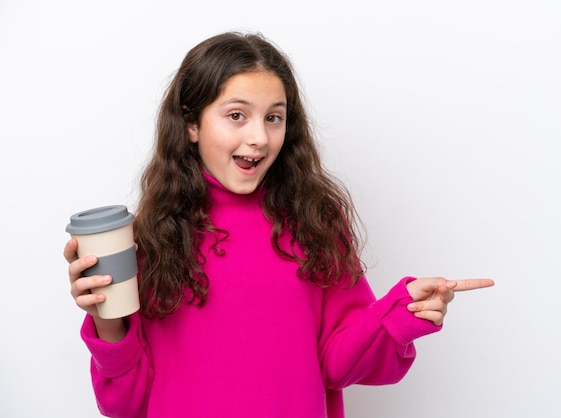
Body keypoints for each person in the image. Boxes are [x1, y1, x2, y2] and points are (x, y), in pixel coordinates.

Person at [64, 31, 494, 418]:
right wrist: (104, 315)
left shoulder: (314, 220)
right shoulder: (149, 236)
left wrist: (399, 313)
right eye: (237, 115)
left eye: (274, 117)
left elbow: (337, 363)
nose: (259, 138)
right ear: (191, 123)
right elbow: (123, 402)